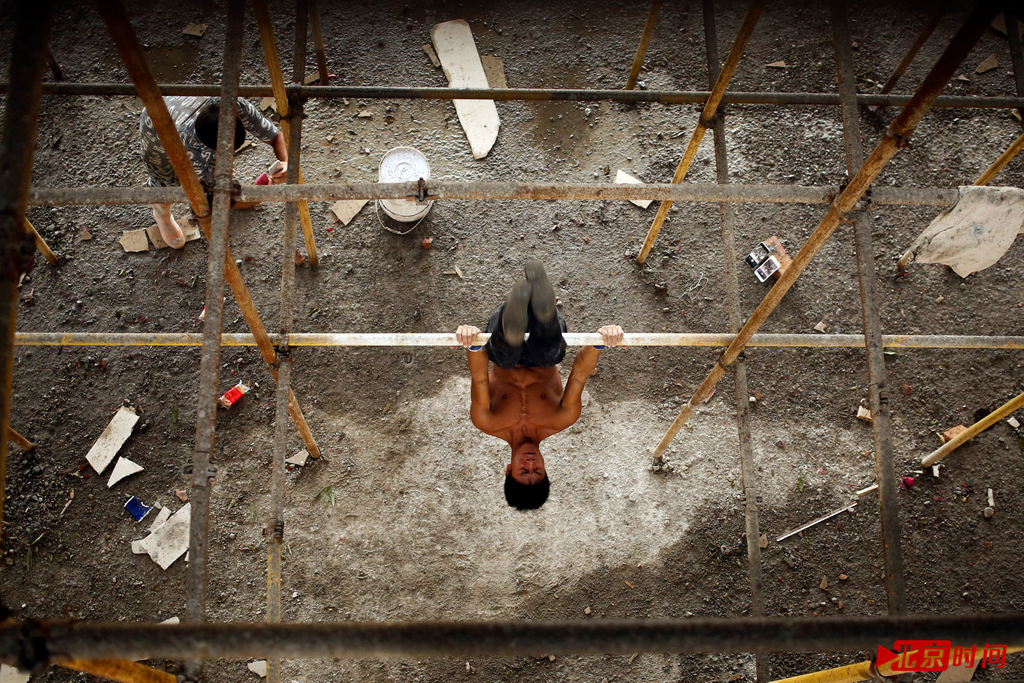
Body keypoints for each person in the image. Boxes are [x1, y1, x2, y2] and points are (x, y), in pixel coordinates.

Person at [455, 260, 624, 511]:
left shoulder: (486, 421)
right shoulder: (562, 418)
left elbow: (479, 374)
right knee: (548, 357)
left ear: (508, 469)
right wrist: (601, 340)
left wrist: (471, 342)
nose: (531, 463)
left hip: (503, 346)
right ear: (546, 469)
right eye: (538, 470)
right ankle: (543, 312)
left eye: (524, 470)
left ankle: (517, 313)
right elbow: (579, 374)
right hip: (547, 346)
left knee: (504, 356)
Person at [140, 96, 288, 249]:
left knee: (217, 179)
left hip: (176, 104)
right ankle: (162, 215)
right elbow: (217, 200)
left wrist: (286, 162)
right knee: (164, 181)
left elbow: (276, 137)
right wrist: (263, 194)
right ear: (206, 146)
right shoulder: (190, 147)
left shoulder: (234, 104)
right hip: (156, 126)